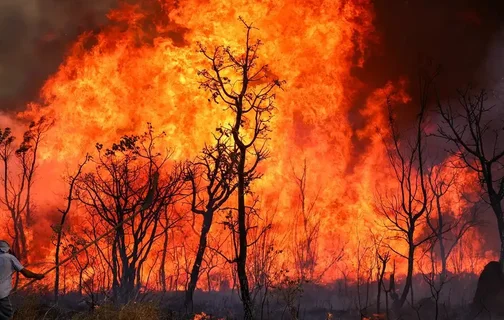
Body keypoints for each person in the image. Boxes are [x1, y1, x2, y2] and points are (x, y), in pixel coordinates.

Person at [0, 240, 44, 320]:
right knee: (6, 316)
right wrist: (37, 276)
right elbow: (26, 273)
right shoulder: (9, 257)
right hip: (1, 295)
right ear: (7, 249)